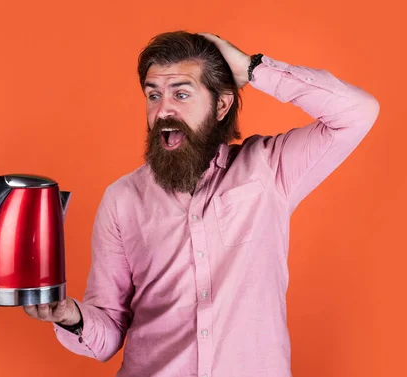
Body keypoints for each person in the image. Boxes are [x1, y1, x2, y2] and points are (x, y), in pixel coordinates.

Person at [23, 30, 380, 377]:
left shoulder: (270, 169)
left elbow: (356, 112)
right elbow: (108, 332)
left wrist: (254, 69)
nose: (163, 110)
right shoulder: (122, 199)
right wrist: (70, 316)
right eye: (153, 96)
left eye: (181, 95)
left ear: (221, 104)